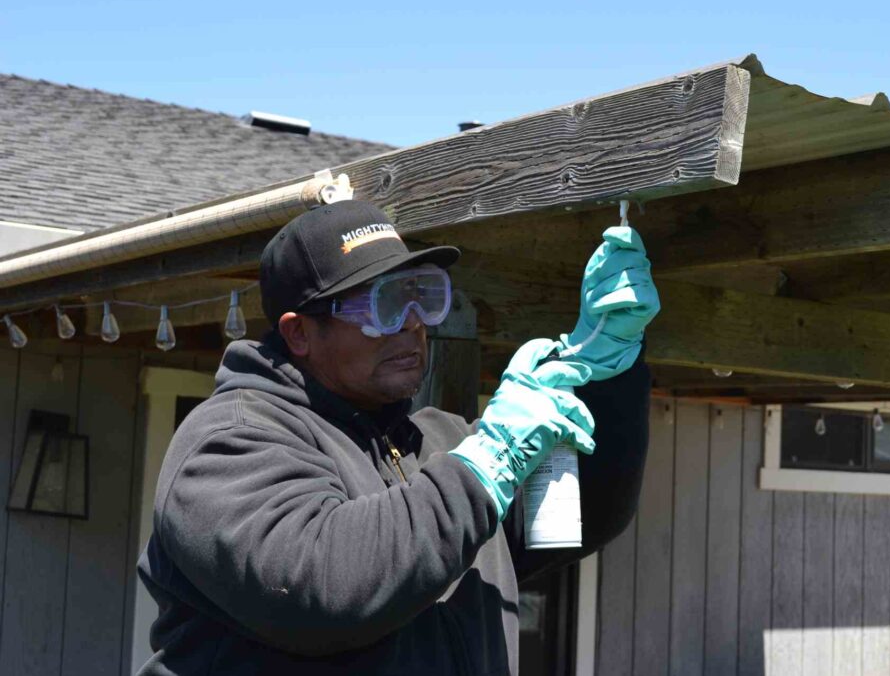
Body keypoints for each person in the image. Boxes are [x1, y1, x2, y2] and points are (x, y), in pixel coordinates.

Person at [137, 199, 659, 675]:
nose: (412, 324)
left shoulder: (441, 443)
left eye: (423, 297)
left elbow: (586, 514)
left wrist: (608, 364)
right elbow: (323, 587)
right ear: (299, 333)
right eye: (384, 305)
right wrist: (488, 461)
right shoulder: (230, 440)